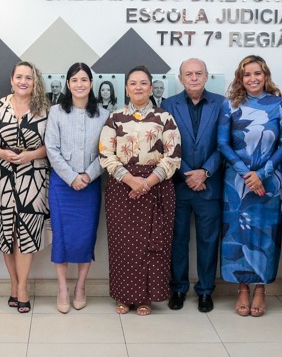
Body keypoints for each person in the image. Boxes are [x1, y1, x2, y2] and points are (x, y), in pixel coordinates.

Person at [99, 65, 181, 316]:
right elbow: (105, 153)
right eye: (133, 83)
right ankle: (124, 296)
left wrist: (147, 183)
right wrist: (131, 180)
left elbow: (174, 155)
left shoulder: (164, 118)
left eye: (143, 83)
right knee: (123, 245)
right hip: (122, 188)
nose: (138, 87)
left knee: (152, 245)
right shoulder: (115, 118)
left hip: (156, 188)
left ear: (151, 87)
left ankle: (146, 297)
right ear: (126, 88)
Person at [218, 55, 282, 317]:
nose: (252, 78)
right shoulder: (231, 106)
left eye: (257, 73)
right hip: (236, 182)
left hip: (269, 183)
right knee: (239, 233)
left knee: (264, 235)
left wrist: (263, 173)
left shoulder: (279, 105)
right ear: (241, 78)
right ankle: (243, 290)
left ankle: (261, 289)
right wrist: (246, 173)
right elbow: (223, 143)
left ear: (265, 75)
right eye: (247, 74)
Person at [0, 61, 51, 313]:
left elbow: (52, 145)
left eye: (29, 78)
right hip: (1, 175)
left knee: (26, 233)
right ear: (11, 79)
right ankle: (13, 284)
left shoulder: (45, 108)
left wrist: (31, 155)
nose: (24, 81)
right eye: (19, 77)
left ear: (35, 82)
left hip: (33, 176)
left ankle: (22, 288)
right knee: (6, 232)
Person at [163, 58, 225, 313]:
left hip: (209, 187)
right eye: (188, 74)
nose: (194, 78)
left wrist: (205, 172)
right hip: (179, 184)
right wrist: (188, 172)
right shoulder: (168, 105)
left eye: (199, 73)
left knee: (208, 240)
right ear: (180, 78)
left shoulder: (222, 104)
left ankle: (205, 290)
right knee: (177, 240)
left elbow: (225, 144)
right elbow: (165, 145)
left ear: (207, 76)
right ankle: (177, 288)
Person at [45, 62, 108, 313]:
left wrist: (88, 175)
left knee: (85, 237)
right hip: (62, 186)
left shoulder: (104, 115)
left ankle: (81, 286)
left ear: (91, 83)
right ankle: (62, 288)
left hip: (90, 186)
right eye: (74, 80)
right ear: (68, 84)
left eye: (84, 79)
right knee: (61, 236)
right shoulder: (57, 112)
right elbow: (51, 149)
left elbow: (107, 152)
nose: (79, 84)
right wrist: (72, 177)